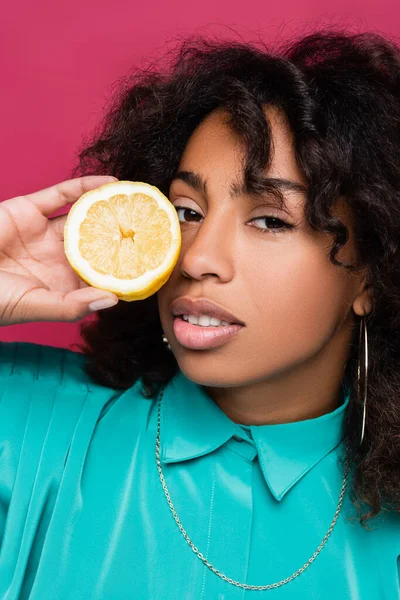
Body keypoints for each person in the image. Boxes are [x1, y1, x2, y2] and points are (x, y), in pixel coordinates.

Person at [0, 29, 399, 600]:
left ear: (370, 274)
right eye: (187, 210)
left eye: (269, 220)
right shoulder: (27, 423)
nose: (199, 257)